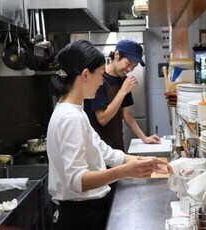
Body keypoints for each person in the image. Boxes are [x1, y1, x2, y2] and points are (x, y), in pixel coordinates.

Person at [46, 40, 167, 230]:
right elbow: (78, 181)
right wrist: (125, 171)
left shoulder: (74, 111)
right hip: (81, 217)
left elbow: (105, 151)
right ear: (86, 75)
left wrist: (142, 160)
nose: (102, 81)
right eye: (101, 75)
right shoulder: (71, 118)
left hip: (85, 211)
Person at [84, 39, 160, 151]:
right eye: (128, 63)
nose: (130, 69)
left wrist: (144, 138)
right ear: (117, 55)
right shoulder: (99, 80)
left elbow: (127, 113)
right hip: (98, 148)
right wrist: (123, 91)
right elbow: (102, 118)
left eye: (134, 66)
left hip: (117, 144)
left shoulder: (123, 80)